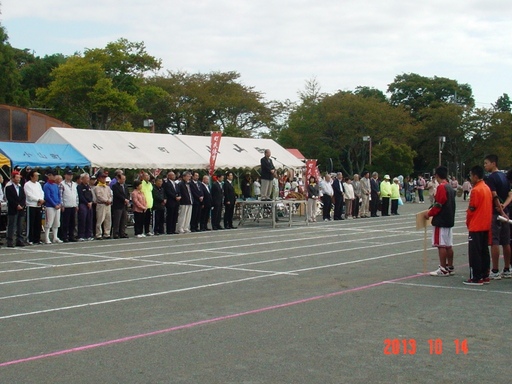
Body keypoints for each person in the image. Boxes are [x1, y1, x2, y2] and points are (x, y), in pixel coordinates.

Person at [424, 166, 456, 277]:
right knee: (448, 245)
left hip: (441, 220)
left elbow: (439, 204)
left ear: (437, 175)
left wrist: (429, 213)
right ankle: (450, 266)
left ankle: (443, 268)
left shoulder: (442, 187)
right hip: (449, 219)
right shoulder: (450, 187)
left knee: (441, 244)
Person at [483, 154, 511, 279]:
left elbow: (494, 195)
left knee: (495, 241)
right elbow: (510, 195)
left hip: (496, 214)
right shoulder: (505, 177)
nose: (485, 166)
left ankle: (495, 270)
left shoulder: (491, 178)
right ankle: (507, 268)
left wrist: (500, 209)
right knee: (506, 242)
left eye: (486, 163)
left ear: (493, 163)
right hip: (506, 212)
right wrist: (504, 207)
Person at [464, 165, 492, 285]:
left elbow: (472, 208)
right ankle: (485, 274)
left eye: (471, 175)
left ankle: (476, 277)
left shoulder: (476, 190)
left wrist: (468, 221)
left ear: (475, 176)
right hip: (485, 224)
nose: (470, 178)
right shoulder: (487, 188)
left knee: (475, 252)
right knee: (484, 251)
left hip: (476, 224)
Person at [5, 171, 27, 247]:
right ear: (13, 178)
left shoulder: (21, 188)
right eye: (17, 177)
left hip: (21, 209)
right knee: (12, 225)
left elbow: (23, 197)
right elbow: (9, 198)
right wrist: (16, 205)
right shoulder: (8, 188)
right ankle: (10, 241)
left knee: (20, 226)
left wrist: (22, 205)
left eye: (19, 178)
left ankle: (19, 240)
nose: (18, 179)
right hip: (13, 209)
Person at [24, 170, 45, 245]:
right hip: (31, 205)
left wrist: (41, 199)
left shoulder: (38, 184)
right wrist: (37, 199)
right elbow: (29, 195)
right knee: (31, 222)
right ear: (31, 176)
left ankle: (37, 238)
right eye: (35, 176)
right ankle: (30, 238)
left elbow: (41, 192)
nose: (37, 177)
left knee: (38, 222)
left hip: (38, 205)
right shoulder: (27, 184)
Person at [43, 169, 63, 244]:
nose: (54, 177)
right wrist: (54, 204)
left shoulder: (55, 185)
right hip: (50, 206)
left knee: (57, 222)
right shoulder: (46, 185)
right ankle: (47, 237)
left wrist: (59, 203)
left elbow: (59, 195)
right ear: (49, 176)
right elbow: (47, 196)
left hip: (57, 206)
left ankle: (55, 237)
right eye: (52, 175)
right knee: (49, 222)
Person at [59, 170, 78, 242]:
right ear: (65, 175)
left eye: (71, 175)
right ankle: (64, 236)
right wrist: (62, 205)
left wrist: (76, 204)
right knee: (65, 222)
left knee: (72, 222)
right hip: (66, 206)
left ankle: (71, 235)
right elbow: (61, 195)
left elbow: (76, 195)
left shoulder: (74, 184)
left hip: (73, 205)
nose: (70, 176)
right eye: (69, 175)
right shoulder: (62, 184)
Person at [94, 171, 112, 240]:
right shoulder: (97, 187)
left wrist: (109, 200)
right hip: (101, 204)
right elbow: (99, 196)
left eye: (105, 177)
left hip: (108, 204)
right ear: (99, 178)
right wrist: (105, 200)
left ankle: (107, 233)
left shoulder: (107, 187)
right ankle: (98, 234)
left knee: (108, 219)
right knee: (100, 219)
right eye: (102, 177)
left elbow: (110, 195)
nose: (104, 179)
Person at [111, 173, 130, 239]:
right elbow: (117, 194)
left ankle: (122, 232)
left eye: (124, 179)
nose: (124, 180)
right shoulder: (115, 186)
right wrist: (124, 199)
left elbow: (127, 193)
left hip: (124, 205)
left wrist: (127, 199)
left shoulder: (125, 186)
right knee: (117, 220)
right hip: (118, 205)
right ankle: (116, 233)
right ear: (119, 179)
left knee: (123, 220)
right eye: (122, 179)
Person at [77, 173, 94, 241]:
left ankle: (88, 235)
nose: (88, 179)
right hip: (83, 204)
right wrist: (87, 202)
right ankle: (81, 235)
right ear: (82, 179)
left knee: (89, 220)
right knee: (82, 220)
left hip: (89, 205)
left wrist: (91, 202)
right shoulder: (79, 187)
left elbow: (91, 195)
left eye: (88, 178)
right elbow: (80, 196)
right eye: (86, 178)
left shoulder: (88, 187)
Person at [141, 172, 154, 236]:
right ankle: (140, 231)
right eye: (146, 176)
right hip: (143, 204)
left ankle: (147, 230)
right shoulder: (141, 183)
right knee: (142, 219)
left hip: (149, 204)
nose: (148, 177)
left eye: (148, 176)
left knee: (148, 219)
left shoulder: (149, 184)